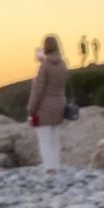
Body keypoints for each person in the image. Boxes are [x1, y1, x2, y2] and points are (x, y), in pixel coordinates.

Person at [27, 35, 70, 171]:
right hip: (59, 104)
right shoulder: (63, 63)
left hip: (44, 107)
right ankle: (56, 165)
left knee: (44, 139)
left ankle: (49, 168)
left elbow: (38, 90)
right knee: (55, 138)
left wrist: (31, 109)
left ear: (45, 47)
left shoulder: (44, 66)